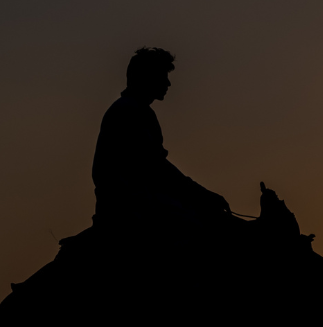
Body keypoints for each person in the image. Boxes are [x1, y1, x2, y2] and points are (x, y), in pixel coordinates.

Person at [91, 47, 230, 233]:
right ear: (148, 77)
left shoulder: (138, 111)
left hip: (138, 202)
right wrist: (202, 195)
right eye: (163, 76)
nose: (168, 83)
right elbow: (155, 168)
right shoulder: (128, 111)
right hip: (130, 209)